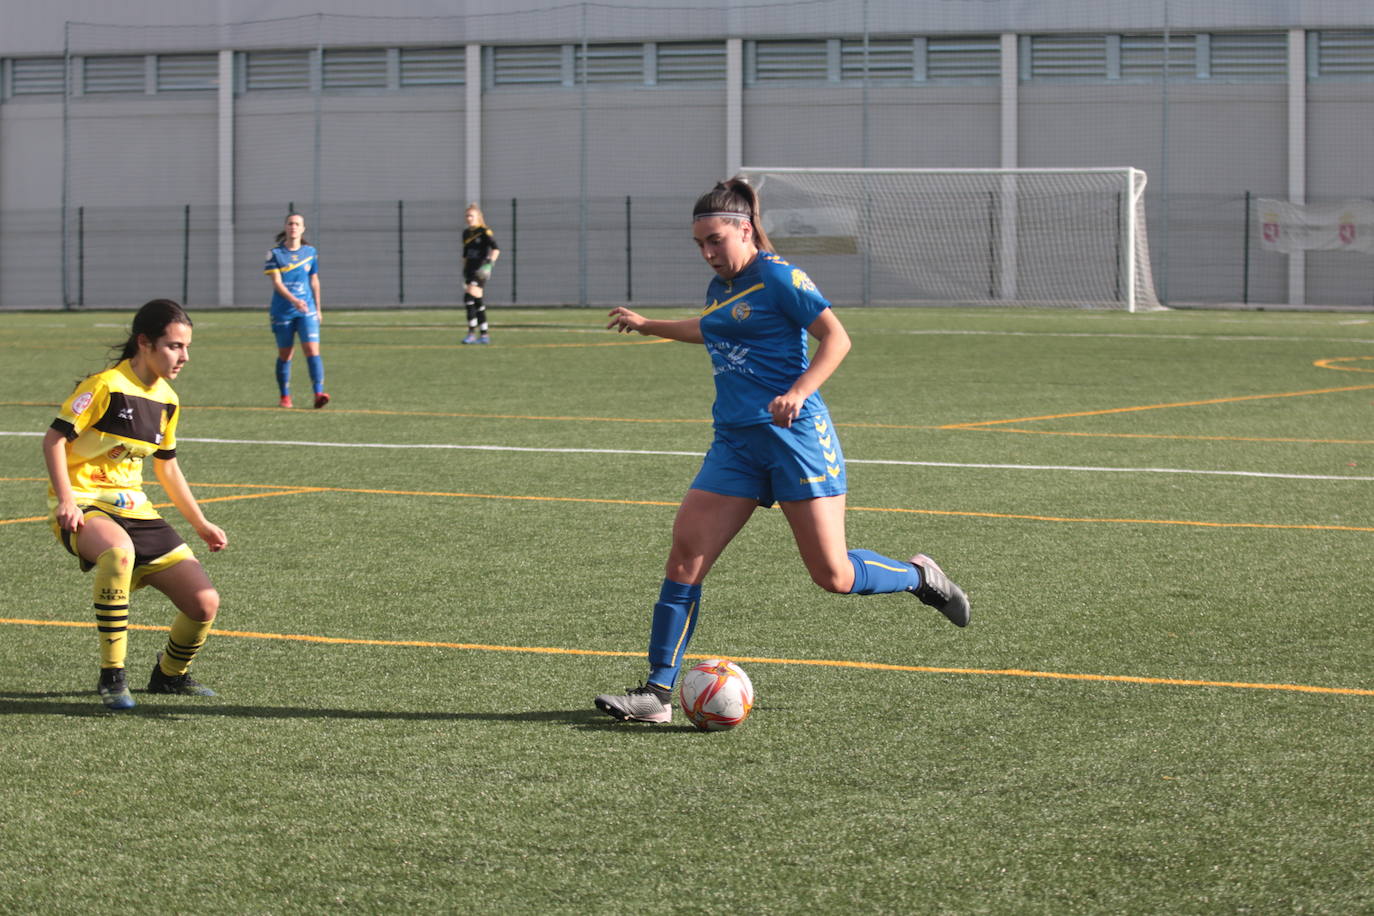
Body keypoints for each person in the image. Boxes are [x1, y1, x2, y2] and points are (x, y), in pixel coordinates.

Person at [594, 177, 970, 725]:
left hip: (796, 441)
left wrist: (798, 391)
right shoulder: (719, 287)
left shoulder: (779, 276)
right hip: (735, 445)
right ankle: (656, 693)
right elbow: (713, 330)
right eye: (699, 244)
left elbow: (836, 337)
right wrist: (648, 325)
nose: (707, 253)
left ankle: (919, 576)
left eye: (716, 240)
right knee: (684, 559)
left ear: (744, 229)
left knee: (833, 575)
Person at [41, 299, 227, 711]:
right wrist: (66, 500)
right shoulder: (104, 385)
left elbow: (168, 467)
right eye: (174, 346)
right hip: (86, 504)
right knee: (117, 553)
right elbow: (54, 440)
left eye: (187, 347)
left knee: (204, 603)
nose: (184, 356)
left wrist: (201, 523)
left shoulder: (167, 399)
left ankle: (170, 676)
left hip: (135, 509)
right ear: (144, 343)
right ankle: (112, 675)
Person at [265, 212, 329, 408]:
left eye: (297, 224)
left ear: (303, 229)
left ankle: (318, 393)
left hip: (306, 310)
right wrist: (294, 300)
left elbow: (314, 281)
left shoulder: (310, 252)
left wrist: (317, 308)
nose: (293, 227)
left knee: (312, 350)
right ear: (286, 227)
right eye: (290, 223)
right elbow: (277, 283)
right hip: (283, 311)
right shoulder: (275, 254)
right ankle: (285, 396)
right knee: (286, 354)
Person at [460, 203, 500, 344]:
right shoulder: (466, 233)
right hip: (470, 270)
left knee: (468, 298)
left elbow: (495, 249)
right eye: (467, 216)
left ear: (478, 217)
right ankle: (484, 335)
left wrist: (489, 265)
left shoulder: (484, 231)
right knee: (477, 301)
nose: (468, 218)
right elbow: (465, 254)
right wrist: (464, 271)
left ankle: (471, 333)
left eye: (471, 215)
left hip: (480, 270)